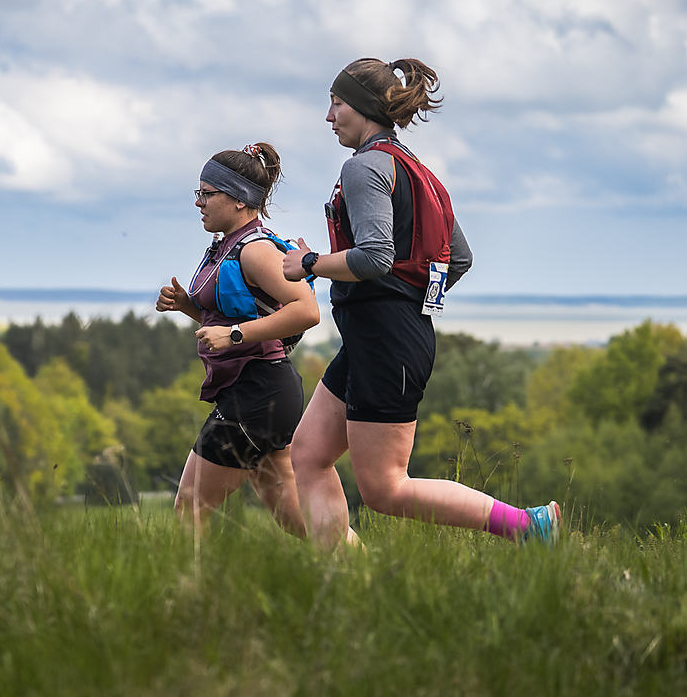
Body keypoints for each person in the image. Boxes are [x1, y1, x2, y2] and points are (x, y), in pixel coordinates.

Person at [280, 57, 560, 549]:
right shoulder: (423, 175)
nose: (328, 116)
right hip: (383, 339)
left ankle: (528, 526)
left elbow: (375, 256)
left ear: (363, 108)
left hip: (387, 341)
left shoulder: (364, 166)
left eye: (337, 103)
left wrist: (309, 263)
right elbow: (460, 259)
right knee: (306, 453)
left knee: (386, 488)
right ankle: (345, 578)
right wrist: (412, 304)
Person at [156, 142, 319, 537]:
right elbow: (240, 315)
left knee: (189, 511)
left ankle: (188, 595)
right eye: (200, 194)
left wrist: (232, 334)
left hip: (256, 392)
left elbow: (306, 310)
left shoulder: (256, 249)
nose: (199, 203)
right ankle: (363, 574)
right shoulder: (227, 245)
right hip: (262, 392)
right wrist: (188, 308)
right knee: (300, 521)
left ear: (240, 200)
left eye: (207, 194)